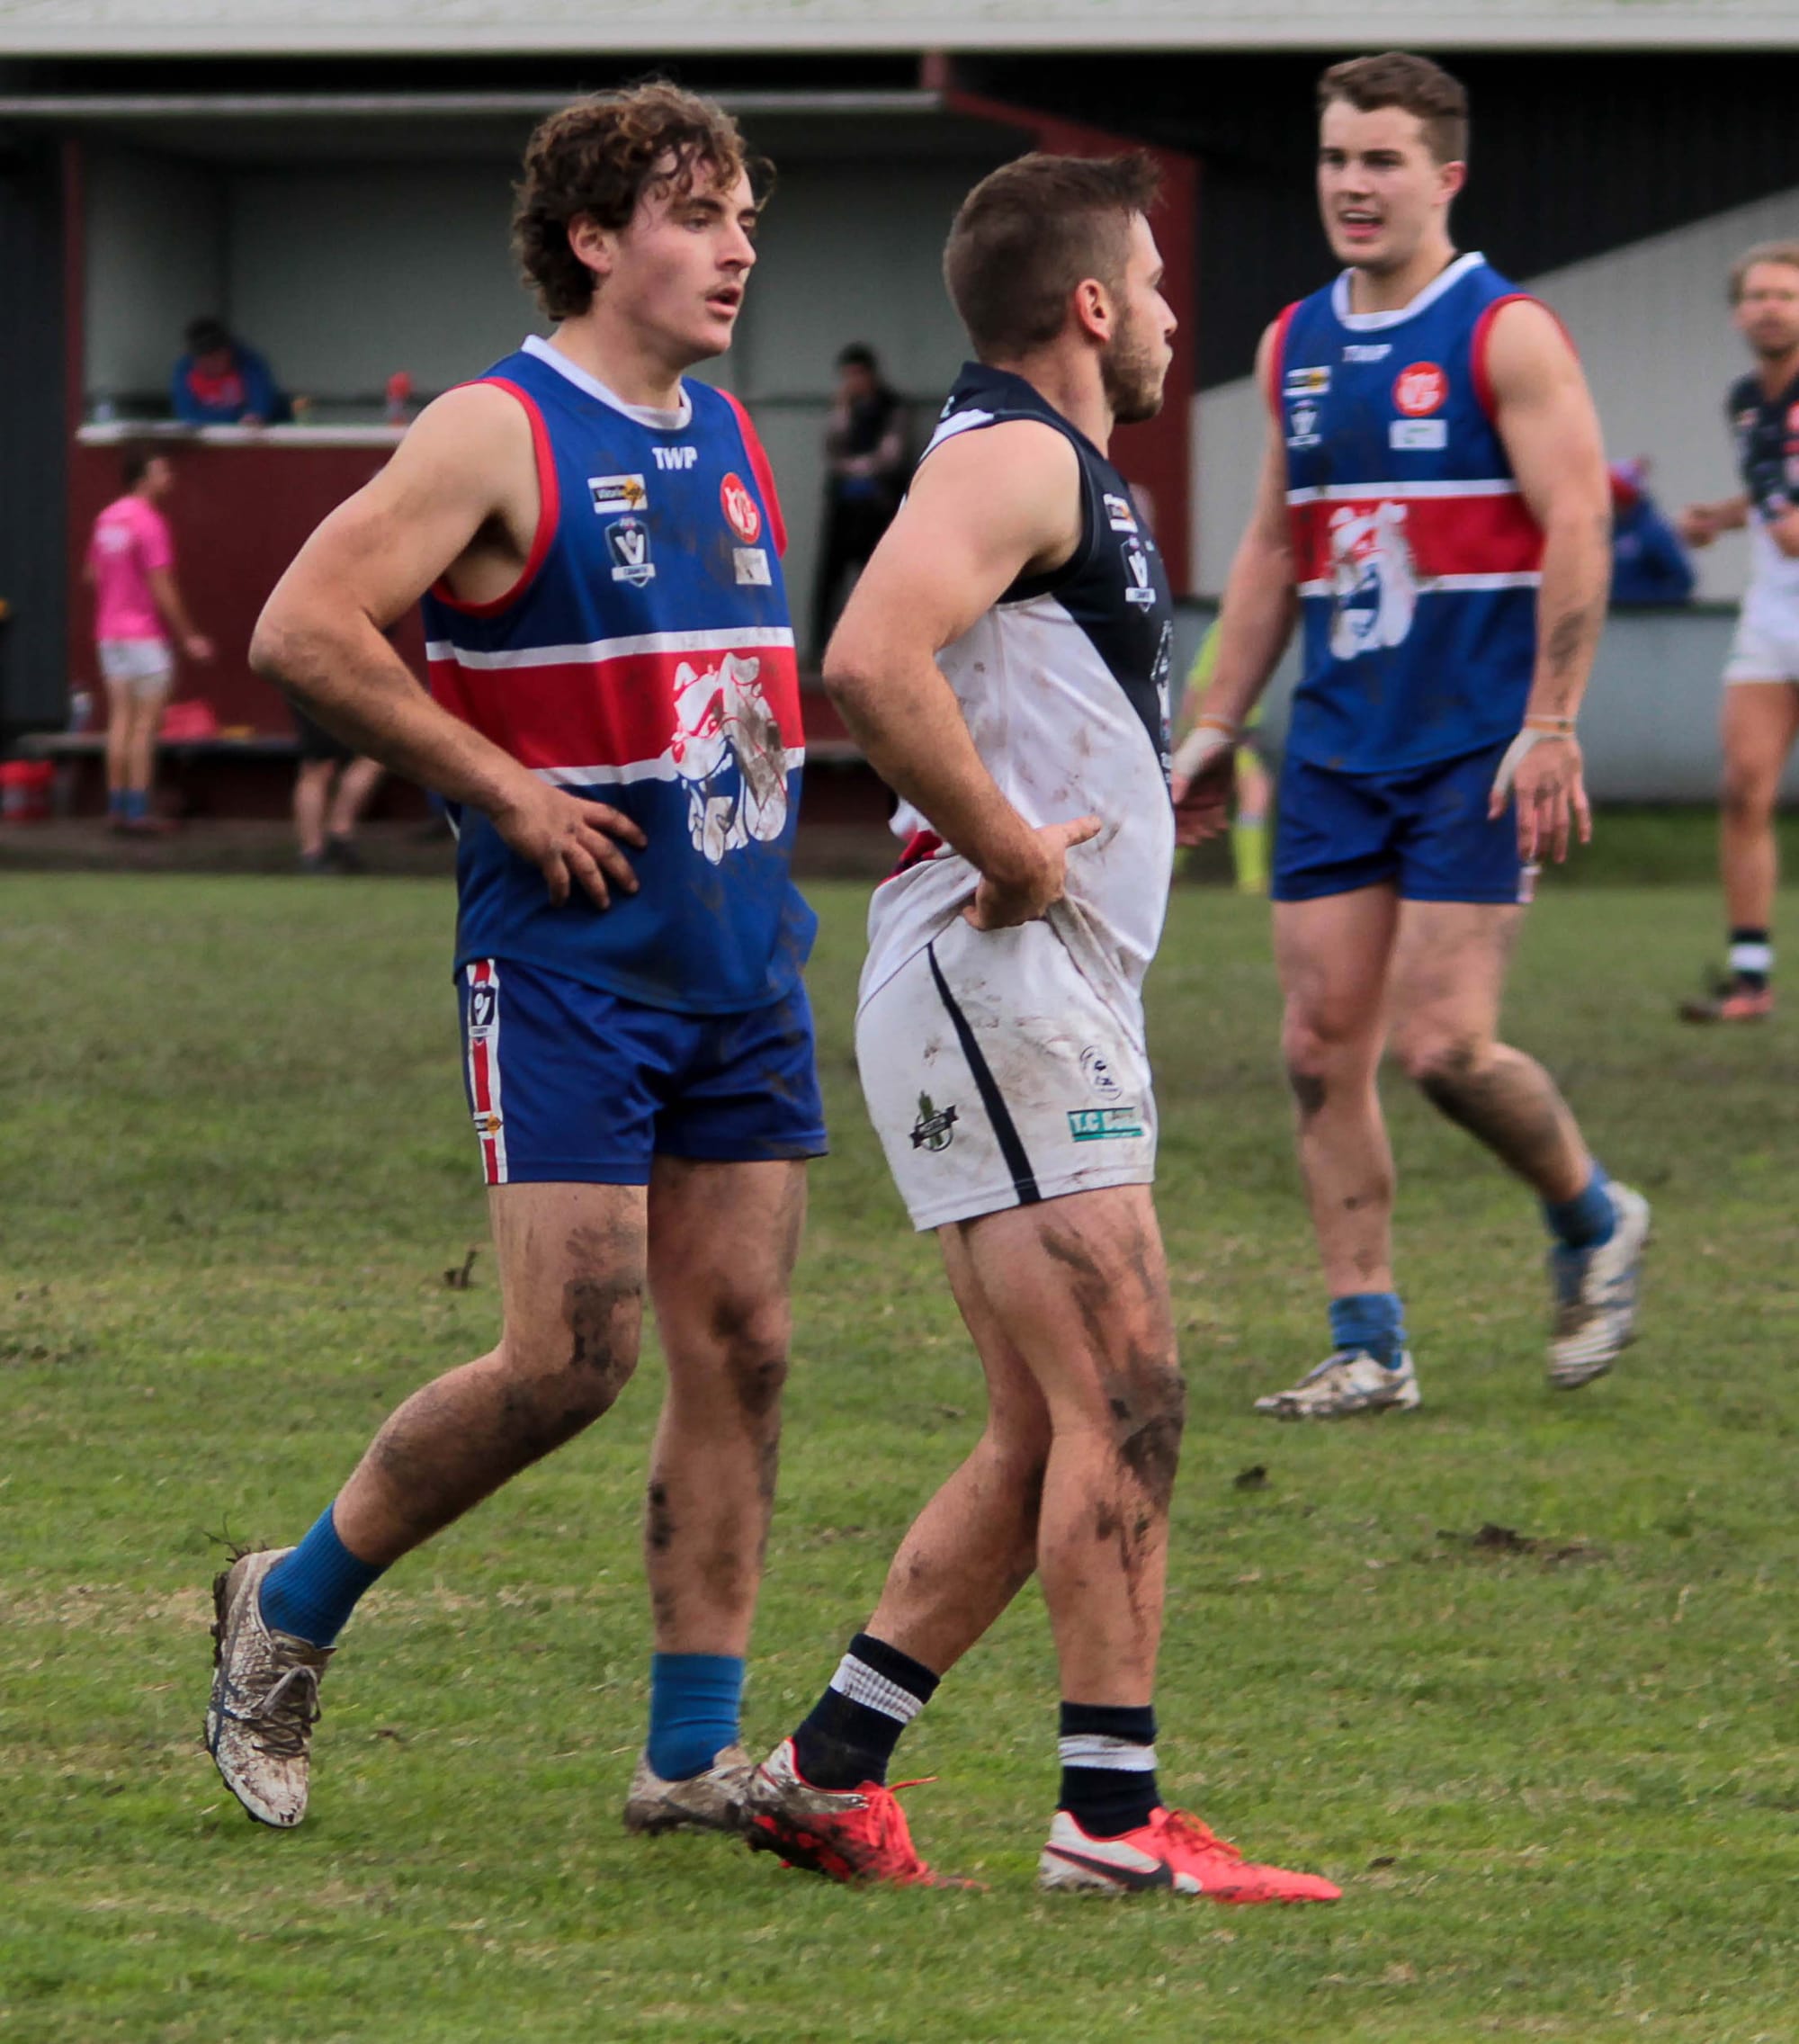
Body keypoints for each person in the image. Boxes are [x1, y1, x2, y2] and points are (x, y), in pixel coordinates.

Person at [207, 84, 824, 1838]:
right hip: (566, 968)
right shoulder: (500, 429)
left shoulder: (725, 432)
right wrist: (501, 785)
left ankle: (688, 1750)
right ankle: (291, 1600)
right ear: (592, 237)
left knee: (748, 1344)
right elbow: (300, 628)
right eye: (698, 216)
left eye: (744, 217)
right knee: (571, 1352)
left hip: (738, 960)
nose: (737, 247)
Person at [742, 151, 1338, 1905]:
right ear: (1088, 304)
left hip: (1031, 986)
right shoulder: (1013, 450)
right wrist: (1008, 842)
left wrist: (1141, 805)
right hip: (995, 979)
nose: (1167, 314)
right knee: (1134, 1394)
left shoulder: (1055, 467)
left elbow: (1007, 694)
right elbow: (865, 653)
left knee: (1044, 1427)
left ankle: (823, 1770)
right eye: (1150, 284)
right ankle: (1110, 1817)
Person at [1172, 51, 1649, 1421]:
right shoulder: (1291, 345)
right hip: (1334, 748)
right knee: (1321, 1048)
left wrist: (1553, 720)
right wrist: (1215, 724)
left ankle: (1592, 1217)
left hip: (1474, 749)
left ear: (1445, 175)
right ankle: (1368, 1343)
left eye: (1382, 160)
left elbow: (1580, 524)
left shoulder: (1506, 334)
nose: (1353, 186)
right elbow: (1275, 544)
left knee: (1445, 1049)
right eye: (1335, 159)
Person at [1674, 242, 1799, 1024]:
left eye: (1785, 294)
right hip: (1772, 618)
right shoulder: (1746, 402)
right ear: (1736, 312)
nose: (1770, 307)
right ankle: (1751, 978)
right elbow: (1775, 503)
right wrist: (1721, 518)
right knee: (1743, 785)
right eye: (1756, 295)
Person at [84, 449, 213, 831]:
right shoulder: (149, 522)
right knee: (144, 727)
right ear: (143, 478)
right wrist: (189, 636)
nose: (169, 476)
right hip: (143, 636)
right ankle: (139, 811)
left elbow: (92, 574)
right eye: (161, 471)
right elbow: (162, 586)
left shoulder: (106, 518)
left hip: (108, 634)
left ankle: (116, 807)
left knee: (118, 722)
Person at [810, 343, 908, 658]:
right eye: (846, 376)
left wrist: (855, 466)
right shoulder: (844, 408)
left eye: (856, 375)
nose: (852, 383)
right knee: (830, 577)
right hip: (843, 507)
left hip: (877, 507)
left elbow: (890, 455)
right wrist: (841, 411)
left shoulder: (892, 407)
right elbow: (830, 451)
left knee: (876, 578)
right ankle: (820, 647)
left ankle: (880, 648)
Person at [291, 704, 384, 874]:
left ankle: (316, 850)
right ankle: (334, 836)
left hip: (310, 690)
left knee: (318, 768)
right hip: (346, 690)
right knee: (373, 757)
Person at [172, 317, 290, 426]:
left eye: (215, 359)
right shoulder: (185, 369)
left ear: (227, 352)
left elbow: (260, 410)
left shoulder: (250, 363)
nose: (209, 367)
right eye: (203, 361)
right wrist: (234, 416)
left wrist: (252, 417)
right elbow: (187, 415)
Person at [1608, 459, 1695, 607]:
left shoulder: (1654, 531)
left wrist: (1646, 602)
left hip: (1645, 621)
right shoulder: (1606, 530)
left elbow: (1682, 579)